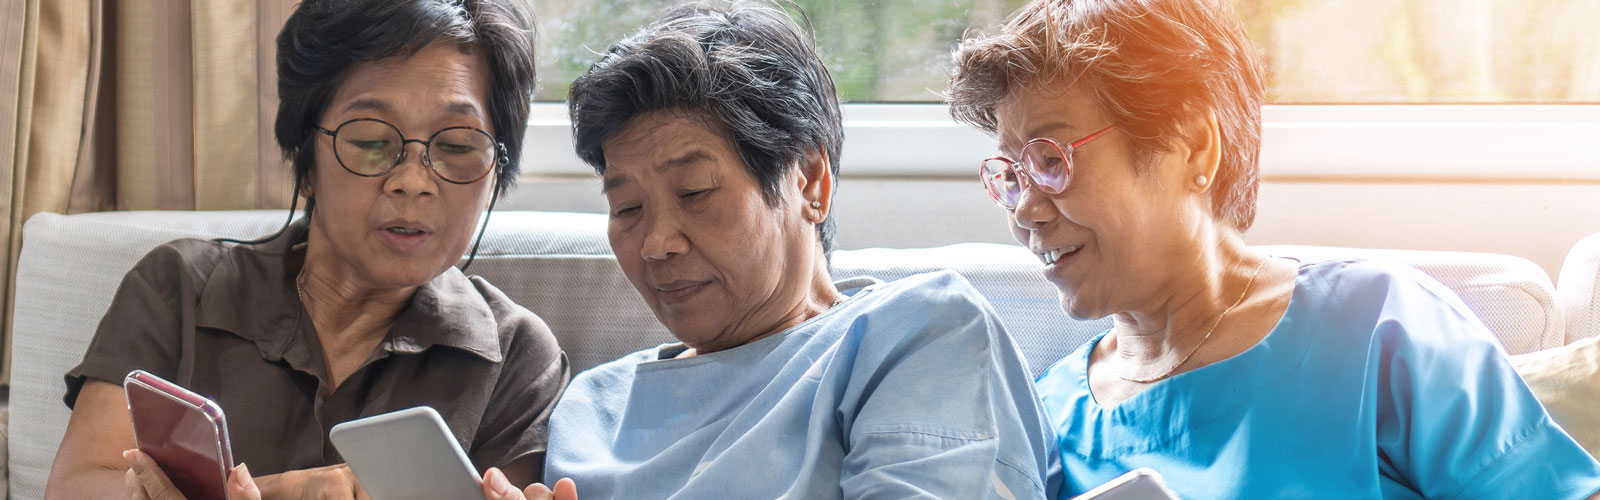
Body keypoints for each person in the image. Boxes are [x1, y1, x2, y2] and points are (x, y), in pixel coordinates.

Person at [947, 0, 1600, 498]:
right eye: (1009, 174)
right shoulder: (1046, 415)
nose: (1024, 210)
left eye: (1050, 159)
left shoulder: (1379, 325)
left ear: (1194, 146)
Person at [479, 3, 1058, 499]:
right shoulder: (592, 407)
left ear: (808, 181)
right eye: (627, 208)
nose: (656, 243)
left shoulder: (919, 335)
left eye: (695, 192)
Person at [44, 0, 568, 498]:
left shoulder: (517, 356)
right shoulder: (177, 288)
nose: (413, 181)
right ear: (304, 157)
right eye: (370, 141)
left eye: (455, 146)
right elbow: (77, 486)